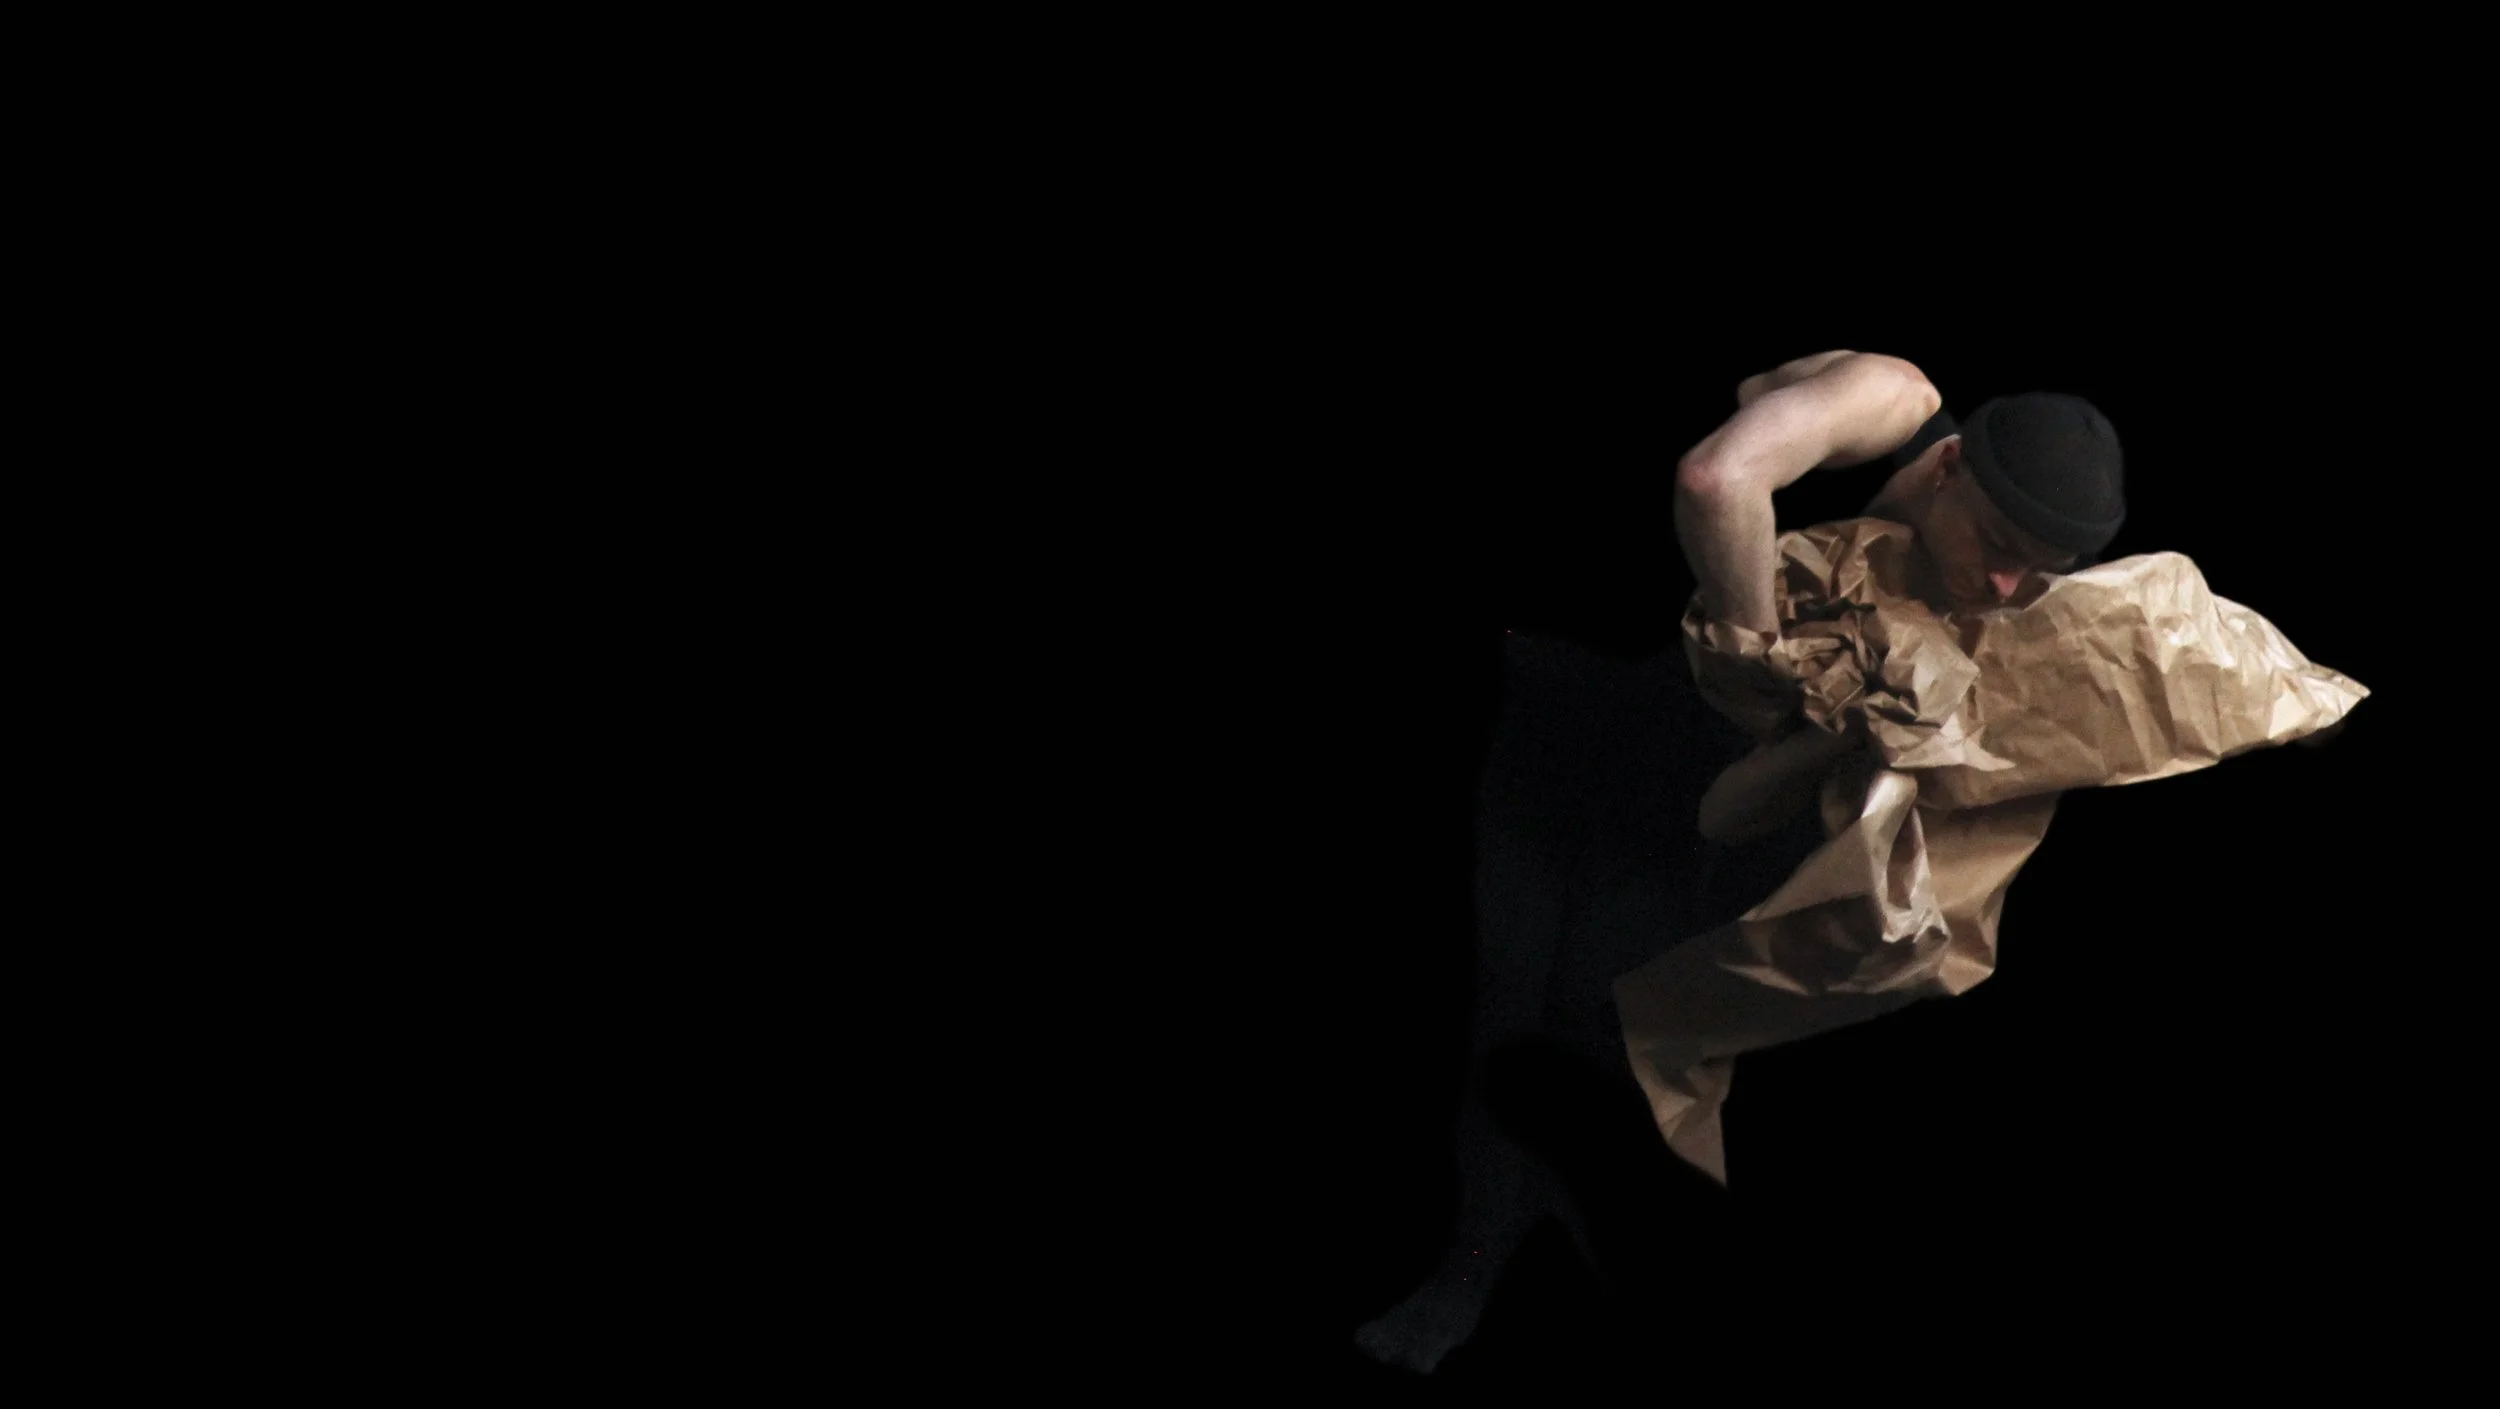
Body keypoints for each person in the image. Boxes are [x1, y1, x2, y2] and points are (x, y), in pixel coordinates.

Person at [1355, 350, 2140, 1376]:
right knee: (1507, 991)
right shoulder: (1895, 403)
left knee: (1614, 1029)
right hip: (1585, 710)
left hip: (1723, 800)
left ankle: (1574, 1277)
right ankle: (1463, 1274)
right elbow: (1720, 470)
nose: (2006, 584)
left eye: (2037, 569)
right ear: (1949, 464)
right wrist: (1764, 660)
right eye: (1996, 545)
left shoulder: (2013, 582)